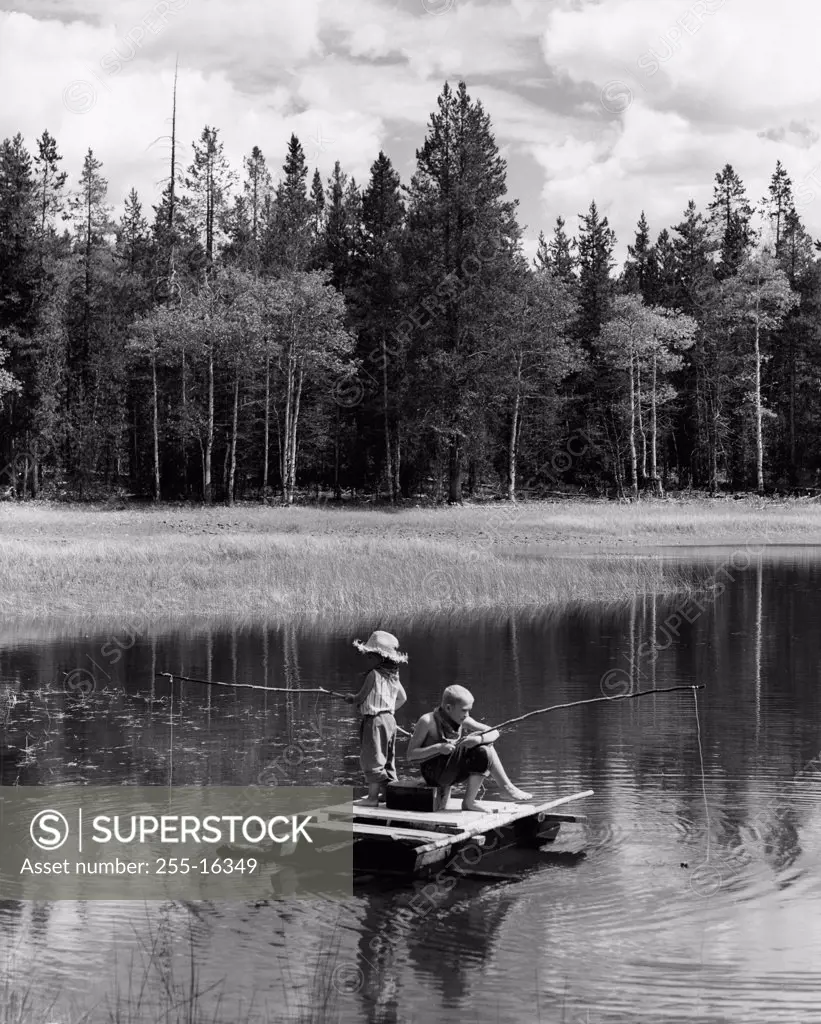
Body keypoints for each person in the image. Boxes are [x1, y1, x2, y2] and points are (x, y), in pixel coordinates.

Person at [406, 684, 533, 811]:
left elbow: (494, 732)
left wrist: (479, 739)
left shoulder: (463, 719)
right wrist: (438, 748)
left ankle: (469, 802)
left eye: (469, 710)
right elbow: (410, 755)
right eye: (464, 710)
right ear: (448, 708)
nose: (467, 714)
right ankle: (506, 787)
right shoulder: (427, 721)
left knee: (483, 749)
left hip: (453, 772)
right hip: (435, 774)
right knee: (482, 745)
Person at [346, 630, 408, 805]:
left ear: (381, 658)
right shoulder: (394, 677)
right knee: (388, 758)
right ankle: (389, 794)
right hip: (390, 721)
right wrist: (388, 711)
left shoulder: (373, 675)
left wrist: (351, 699)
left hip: (374, 721)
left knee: (372, 758)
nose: (368, 659)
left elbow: (361, 697)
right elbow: (403, 698)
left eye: (371, 656)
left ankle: (372, 798)